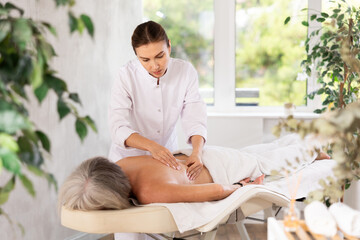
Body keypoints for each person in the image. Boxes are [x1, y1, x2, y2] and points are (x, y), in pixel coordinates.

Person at [59, 135, 330, 211]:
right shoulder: (121, 164)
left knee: (265, 164)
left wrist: (242, 187)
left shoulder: (150, 193)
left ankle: (313, 151)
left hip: (221, 168)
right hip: (203, 157)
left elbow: (214, 190)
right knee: (260, 156)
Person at [108, 20, 207, 181]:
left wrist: (197, 152)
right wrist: (152, 147)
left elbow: (195, 118)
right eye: (145, 60)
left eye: (159, 56)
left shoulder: (185, 71)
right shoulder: (126, 75)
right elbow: (117, 127)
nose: (154, 66)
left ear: (169, 46)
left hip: (167, 158)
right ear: (136, 55)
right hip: (128, 159)